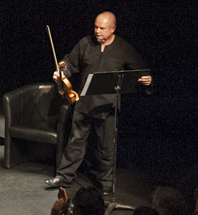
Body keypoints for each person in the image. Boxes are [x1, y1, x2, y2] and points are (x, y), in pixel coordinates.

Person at [45, 12, 151, 195]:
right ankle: (64, 176)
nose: (97, 31)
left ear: (113, 29)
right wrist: (61, 71)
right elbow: (69, 62)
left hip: (108, 106)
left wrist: (147, 79)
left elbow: (141, 69)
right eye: (95, 27)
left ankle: (106, 184)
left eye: (102, 28)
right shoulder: (86, 43)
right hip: (84, 102)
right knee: (75, 142)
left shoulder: (123, 48)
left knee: (106, 147)